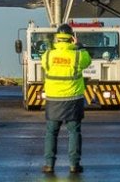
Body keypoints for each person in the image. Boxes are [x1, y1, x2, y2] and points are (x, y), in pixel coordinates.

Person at [40, 24, 92, 174]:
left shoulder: (48, 55)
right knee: (74, 132)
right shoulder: (77, 55)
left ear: (57, 38)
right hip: (73, 99)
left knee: (51, 132)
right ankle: (74, 165)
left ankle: (49, 165)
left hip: (53, 99)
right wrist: (79, 46)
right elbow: (87, 61)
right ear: (71, 38)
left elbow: (44, 65)